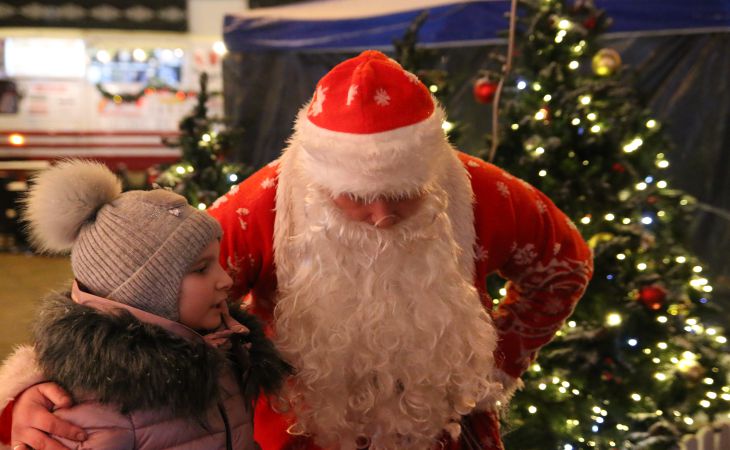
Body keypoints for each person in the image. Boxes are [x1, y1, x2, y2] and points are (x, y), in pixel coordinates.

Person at [2, 50, 592, 450]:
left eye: (404, 195)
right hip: (297, 435)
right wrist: (34, 394)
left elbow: (566, 265)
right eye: (356, 198)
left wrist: (498, 362)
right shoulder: (263, 202)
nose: (382, 216)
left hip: (449, 428)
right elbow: (135, 296)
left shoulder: (484, 192)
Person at [0, 160, 291, 449]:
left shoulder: (223, 348)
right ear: (145, 293)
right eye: (202, 269)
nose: (226, 279)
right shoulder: (95, 414)